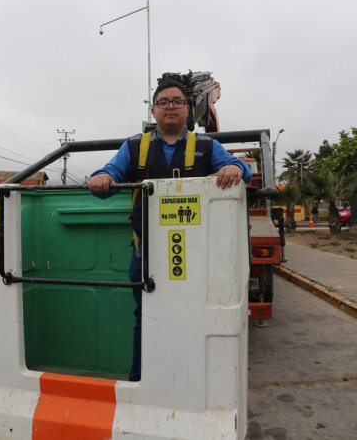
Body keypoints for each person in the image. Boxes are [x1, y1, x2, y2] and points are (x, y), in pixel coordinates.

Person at [88, 77, 252, 381]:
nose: (170, 107)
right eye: (163, 102)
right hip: (146, 253)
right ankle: (142, 379)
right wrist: (100, 178)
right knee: (146, 317)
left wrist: (235, 168)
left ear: (188, 110)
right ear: (153, 110)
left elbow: (245, 169)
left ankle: (199, 378)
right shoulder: (134, 146)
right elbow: (109, 173)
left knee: (199, 314)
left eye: (177, 101)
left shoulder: (207, 146)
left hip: (199, 255)